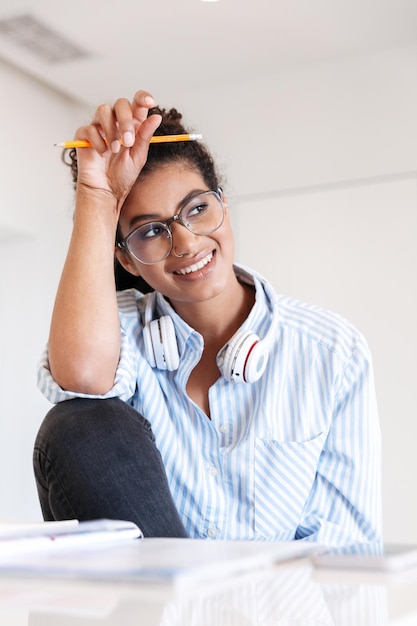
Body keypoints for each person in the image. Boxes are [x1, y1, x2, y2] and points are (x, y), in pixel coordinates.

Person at [34, 90, 382, 545]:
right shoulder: (120, 335)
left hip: (277, 611)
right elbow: (81, 378)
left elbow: (347, 553)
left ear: (223, 204)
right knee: (75, 423)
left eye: (197, 209)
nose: (186, 243)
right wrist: (98, 197)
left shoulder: (332, 351)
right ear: (128, 261)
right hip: (145, 610)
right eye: (151, 231)